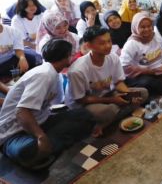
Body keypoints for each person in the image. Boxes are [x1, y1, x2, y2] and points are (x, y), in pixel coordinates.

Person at [0, 39, 94, 169]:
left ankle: (44, 152)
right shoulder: (44, 74)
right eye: (70, 54)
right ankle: (40, 151)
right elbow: (21, 112)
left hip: (40, 121)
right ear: (65, 56)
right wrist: (41, 136)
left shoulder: (53, 73)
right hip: (13, 133)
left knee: (83, 115)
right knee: (27, 150)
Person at [66, 26, 148, 137]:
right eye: (102, 43)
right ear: (88, 45)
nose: (108, 46)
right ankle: (112, 117)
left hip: (107, 94)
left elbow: (118, 82)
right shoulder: (77, 70)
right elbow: (81, 99)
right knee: (109, 110)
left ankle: (106, 121)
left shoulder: (113, 57)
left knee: (142, 93)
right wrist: (112, 100)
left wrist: (129, 94)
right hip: (85, 103)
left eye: (109, 41)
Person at [120, 13, 162, 95]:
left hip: (159, 70)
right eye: (143, 27)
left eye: (149, 26)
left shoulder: (155, 36)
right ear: (136, 28)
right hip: (143, 74)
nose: (147, 29)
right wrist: (146, 71)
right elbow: (124, 66)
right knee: (149, 83)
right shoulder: (131, 44)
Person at [0, 13, 40, 79]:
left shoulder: (12, 31)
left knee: (34, 58)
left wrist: (22, 58)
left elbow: (18, 48)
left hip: (12, 58)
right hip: (2, 64)